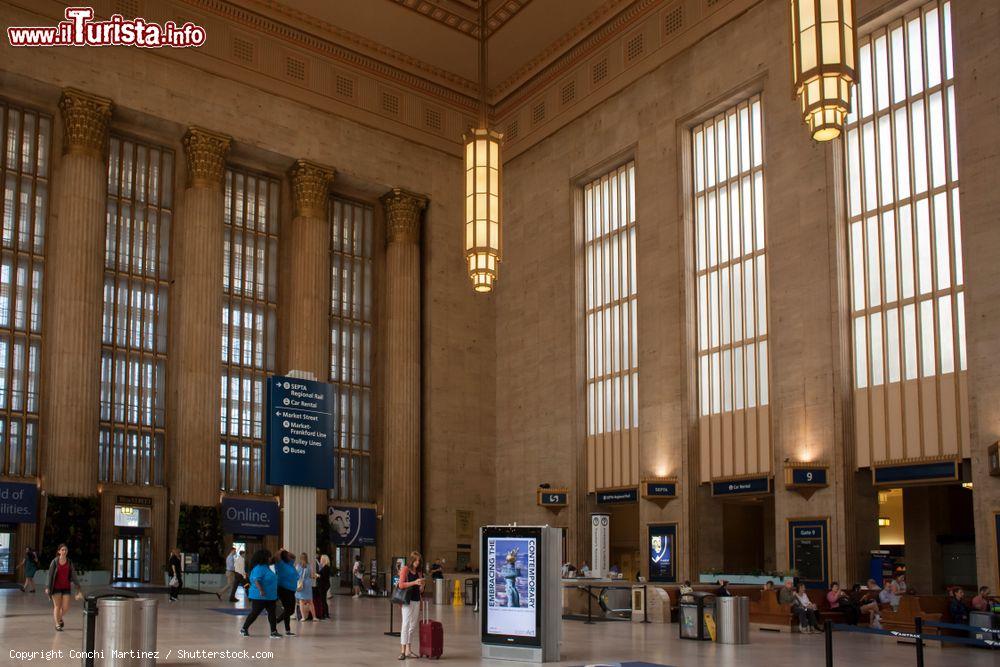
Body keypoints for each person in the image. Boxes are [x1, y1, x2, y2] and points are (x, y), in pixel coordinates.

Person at [241, 549, 281, 639]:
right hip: (259, 596)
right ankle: (244, 629)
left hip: (270, 596)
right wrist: (261, 590)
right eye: (268, 556)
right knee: (255, 613)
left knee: (272, 614)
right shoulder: (259, 568)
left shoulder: (266, 567)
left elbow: (275, 559)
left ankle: (273, 632)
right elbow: (256, 580)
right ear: (264, 558)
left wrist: (279, 553)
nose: (270, 558)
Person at [44, 544, 81, 631]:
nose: (64, 551)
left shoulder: (69, 562)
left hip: (66, 587)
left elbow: (73, 574)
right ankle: (57, 624)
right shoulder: (55, 561)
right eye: (63, 550)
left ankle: (59, 617)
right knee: (57, 606)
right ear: (59, 551)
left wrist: (77, 585)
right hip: (56, 587)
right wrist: (47, 587)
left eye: (66, 550)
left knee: (65, 607)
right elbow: (49, 575)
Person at [396, 550, 425, 661]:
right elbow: (401, 584)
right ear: (412, 560)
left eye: (419, 561)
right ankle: (402, 651)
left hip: (416, 600)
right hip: (407, 601)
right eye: (416, 560)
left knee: (412, 626)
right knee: (405, 624)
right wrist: (414, 583)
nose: (417, 562)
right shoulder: (405, 569)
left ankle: (408, 649)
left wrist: (421, 586)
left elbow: (420, 588)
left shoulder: (419, 572)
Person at [274, 549, 299, 636]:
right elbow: (276, 556)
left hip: (291, 590)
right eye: (288, 555)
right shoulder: (280, 564)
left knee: (289, 610)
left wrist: (286, 551)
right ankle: (276, 622)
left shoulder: (290, 563)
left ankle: (287, 631)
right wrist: (280, 551)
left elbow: (294, 556)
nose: (290, 556)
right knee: (289, 610)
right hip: (284, 589)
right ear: (284, 557)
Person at [295, 553, 317, 621]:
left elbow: (295, 575)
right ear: (306, 558)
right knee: (310, 601)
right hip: (307, 584)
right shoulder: (309, 566)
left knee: (301, 601)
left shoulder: (298, 566)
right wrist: (315, 576)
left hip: (300, 584)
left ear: (300, 558)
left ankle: (303, 617)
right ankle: (314, 617)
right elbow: (312, 576)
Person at [314, 554, 331, 619]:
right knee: (323, 600)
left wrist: (317, 575)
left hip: (323, 585)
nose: (320, 559)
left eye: (321, 558)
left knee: (323, 600)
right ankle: (325, 614)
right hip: (323, 585)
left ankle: (325, 614)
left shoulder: (326, 567)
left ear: (324, 559)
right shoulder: (325, 567)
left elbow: (323, 577)